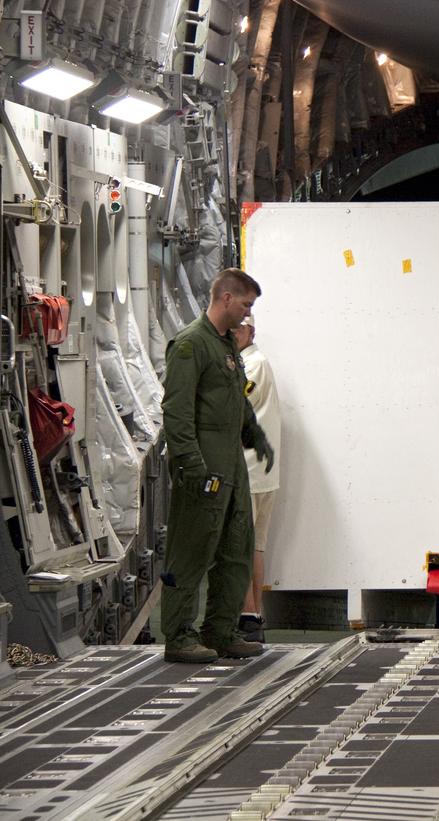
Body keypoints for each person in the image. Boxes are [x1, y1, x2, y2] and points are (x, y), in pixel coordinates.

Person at [160, 269, 275, 663]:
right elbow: (176, 412)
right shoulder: (191, 345)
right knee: (190, 552)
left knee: (236, 551)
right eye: (245, 305)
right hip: (203, 470)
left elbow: (236, 400)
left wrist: (254, 434)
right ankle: (178, 636)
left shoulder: (226, 346)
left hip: (232, 469)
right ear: (226, 298)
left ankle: (221, 631)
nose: (247, 314)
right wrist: (191, 465)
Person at [235, 317, 280, 643]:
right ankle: (254, 617)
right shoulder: (251, 363)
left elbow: (235, 405)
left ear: (251, 331)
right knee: (254, 546)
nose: (232, 333)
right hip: (260, 475)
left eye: (239, 328)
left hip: (250, 473)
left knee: (242, 547)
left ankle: (248, 618)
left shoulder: (253, 365)